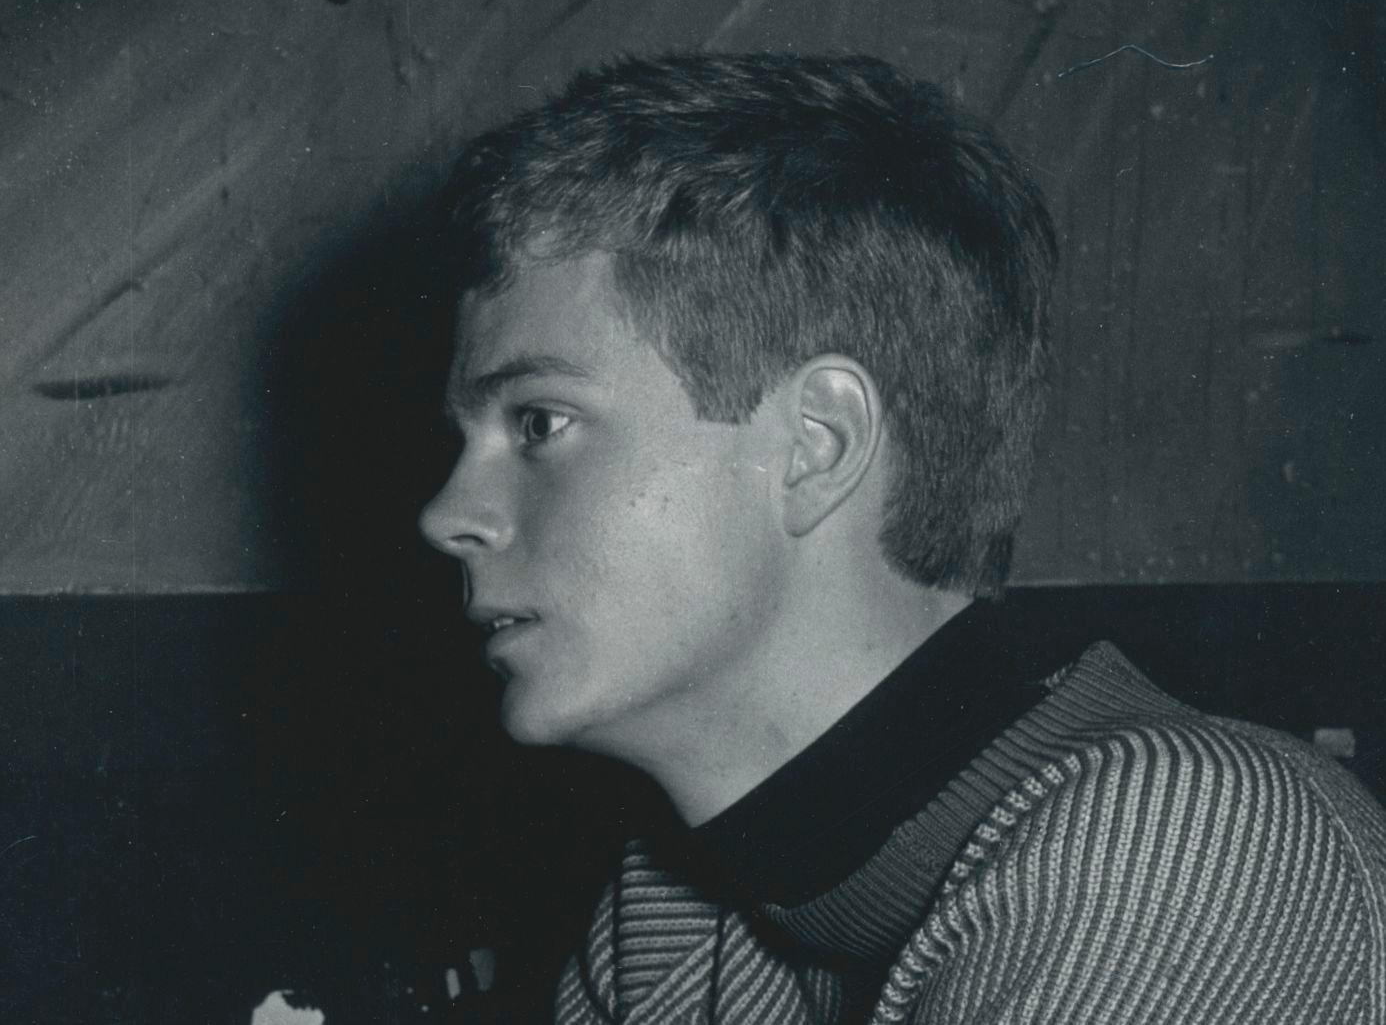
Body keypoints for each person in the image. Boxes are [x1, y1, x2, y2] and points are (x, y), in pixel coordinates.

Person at [418, 52, 1386, 1024]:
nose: (446, 514)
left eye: (538, 423)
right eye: (466, 440)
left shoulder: (1191, 849)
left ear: (814, 444)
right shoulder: (675, 913)